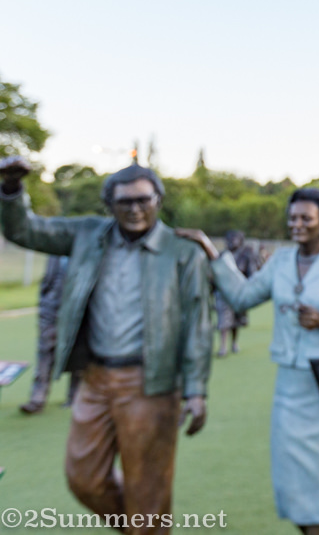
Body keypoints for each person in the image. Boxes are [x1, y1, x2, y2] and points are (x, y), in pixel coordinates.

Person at [0, 159, 211, 535]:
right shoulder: (88, 234)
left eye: (143, 200)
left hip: (151, 383)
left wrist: (196, 390)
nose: (134, 209)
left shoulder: (181, 252)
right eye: (124, 202)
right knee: (85, 479)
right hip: (95, 379)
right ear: (109, 204)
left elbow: (198, 323)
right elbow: (25, 232)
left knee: (147, 490)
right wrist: (13, 190)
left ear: (159, 200)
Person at [178, 188, 319, 535]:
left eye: (305, 219)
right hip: (289, 384)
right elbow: (240, 297)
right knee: (290, 479)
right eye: (292, 217)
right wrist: (210, 249)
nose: (296, 224)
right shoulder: (281, 261)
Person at [19, 254, 80, 414]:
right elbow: (48, 280)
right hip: (51, 306)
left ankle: (75, 396)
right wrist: (44, 302)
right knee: (45, 349)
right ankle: (37, 398)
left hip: (77, 308)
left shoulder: (84, 245)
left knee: (78, 350)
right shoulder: (54, 251)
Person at [214, 229, 258, 357]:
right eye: (230, 238)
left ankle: (234, 342)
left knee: (237, 320)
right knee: (224, 319)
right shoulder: (222, 256)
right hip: (223, 292)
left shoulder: (246, 255)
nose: (232, 241)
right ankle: (222, 346)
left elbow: (252, 272)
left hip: (240, 291)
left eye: (235, 239)